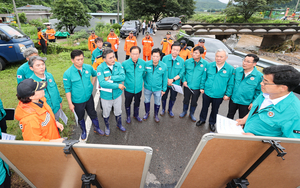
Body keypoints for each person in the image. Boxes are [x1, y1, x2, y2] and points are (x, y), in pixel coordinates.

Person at [236, 65, 300, 138]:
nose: (261, 83)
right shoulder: (265, 93)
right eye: (263, 79)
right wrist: (244, 120)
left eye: (266, 82)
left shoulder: (294, 114)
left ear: (283, 88)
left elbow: (291, 145)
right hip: (244, 136)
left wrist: (257, 140)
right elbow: (256, 110)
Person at [63, 50, 104, 140]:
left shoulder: (88, 67)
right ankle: (84, 131)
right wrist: (70, 103)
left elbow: (94, 74)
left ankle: (97, 128)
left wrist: (91, 85)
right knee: (80, 116)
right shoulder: (68, 73)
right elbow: (67, 89)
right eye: (78, 60)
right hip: (77, 101)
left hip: (89, 97)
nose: (81, 61)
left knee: (93, 113)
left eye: (82, 59)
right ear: (72, 60)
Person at [198, 49, 234, 132]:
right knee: (204, 107)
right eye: (217, 56)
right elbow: (204, 77)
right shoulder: (209, 65)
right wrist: (202, 87)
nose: (219, 58)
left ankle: (212, 122)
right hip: (207, 92)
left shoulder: (230, 69)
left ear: (226, 57)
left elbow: (230, 83)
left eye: (221, 56)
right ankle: (202, 119)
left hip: (219, 95)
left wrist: (227, 94)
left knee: (215, 109)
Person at [97, 49, 126, 136]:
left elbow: (123, 77)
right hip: (106, 96)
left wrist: (110, 77)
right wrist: (117, 85)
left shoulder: (118, 64)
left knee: (118, 111)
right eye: (110, 58)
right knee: (106, 113)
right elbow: (102, 83)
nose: (113, 59)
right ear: (104, 59)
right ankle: (107, 127)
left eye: (113, 57)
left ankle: (119, 125)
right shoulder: (100, 68)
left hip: (117, 95)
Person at [227, 54, 263, 119]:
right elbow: (232, 83)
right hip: (233, 100)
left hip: (246, 103)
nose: (244, 63)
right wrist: (228, 94)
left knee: (242, 120)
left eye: (248, 62)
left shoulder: (259, 76)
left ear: (254, 64)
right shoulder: (237, 70)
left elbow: (259, 91)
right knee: (229, 116)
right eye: (244, 60)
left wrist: (253, 103)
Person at [29, 56, 63, 121]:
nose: (41, 67)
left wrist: (59, 101)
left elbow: (56, 89)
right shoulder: (31, 82)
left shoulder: (49, 75)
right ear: (31, 68)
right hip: (44, 112)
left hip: (56, 107)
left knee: (57, 124)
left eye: (43, 64)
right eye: (38, 65)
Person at [179, 46, 207, 122]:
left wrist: (202, 87)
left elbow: (204, 77)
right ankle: (184, 111)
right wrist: (184, 80)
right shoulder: (187, 62)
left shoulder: (205, 64)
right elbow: (183, 73)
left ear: (201, 54)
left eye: (196, 53)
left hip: (197, 88)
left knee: (194, 102)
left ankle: (191, 114)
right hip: (187, 86)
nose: (193, 54)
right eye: (193, 52)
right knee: (186, 100)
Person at [122, 46, 146, 124]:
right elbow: (122, 75)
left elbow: (143, 74)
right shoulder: (125, 63)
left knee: (137, 102)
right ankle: (128, 116)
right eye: (133, 54)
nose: (135, 56)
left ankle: (136, 115)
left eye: (137, 54)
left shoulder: (143, 63)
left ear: (139, 54)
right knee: (127, 103)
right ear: (130, 54)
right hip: (128, 89)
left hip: (138, 89)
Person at [143, 48, 168, 123]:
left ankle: (156, 114)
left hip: (158, 89)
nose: (155, 58)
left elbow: (165, 78)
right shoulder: (146, 64)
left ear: (160, 57)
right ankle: (147, 113)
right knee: (146, 100)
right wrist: (146, 82)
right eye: (153, 56)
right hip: (148, 88)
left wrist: (164, 89)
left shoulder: (164, 66)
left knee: (157, 102)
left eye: (157, 56)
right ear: (151, 56)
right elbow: (143, 75)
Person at [161, 42, 184, 117]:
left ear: (179, 51)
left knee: (173, 97)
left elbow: (181, 73)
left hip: (175, 84)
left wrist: (172, 80)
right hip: (165, 83)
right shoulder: (165, 58)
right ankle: (163, 109)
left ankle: (170, 110)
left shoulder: (181, 61)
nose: (175, 51)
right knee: (164, 96)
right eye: (174, 49)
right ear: (171, 49)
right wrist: (167, 80)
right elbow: (162, 70)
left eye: (177, 50)